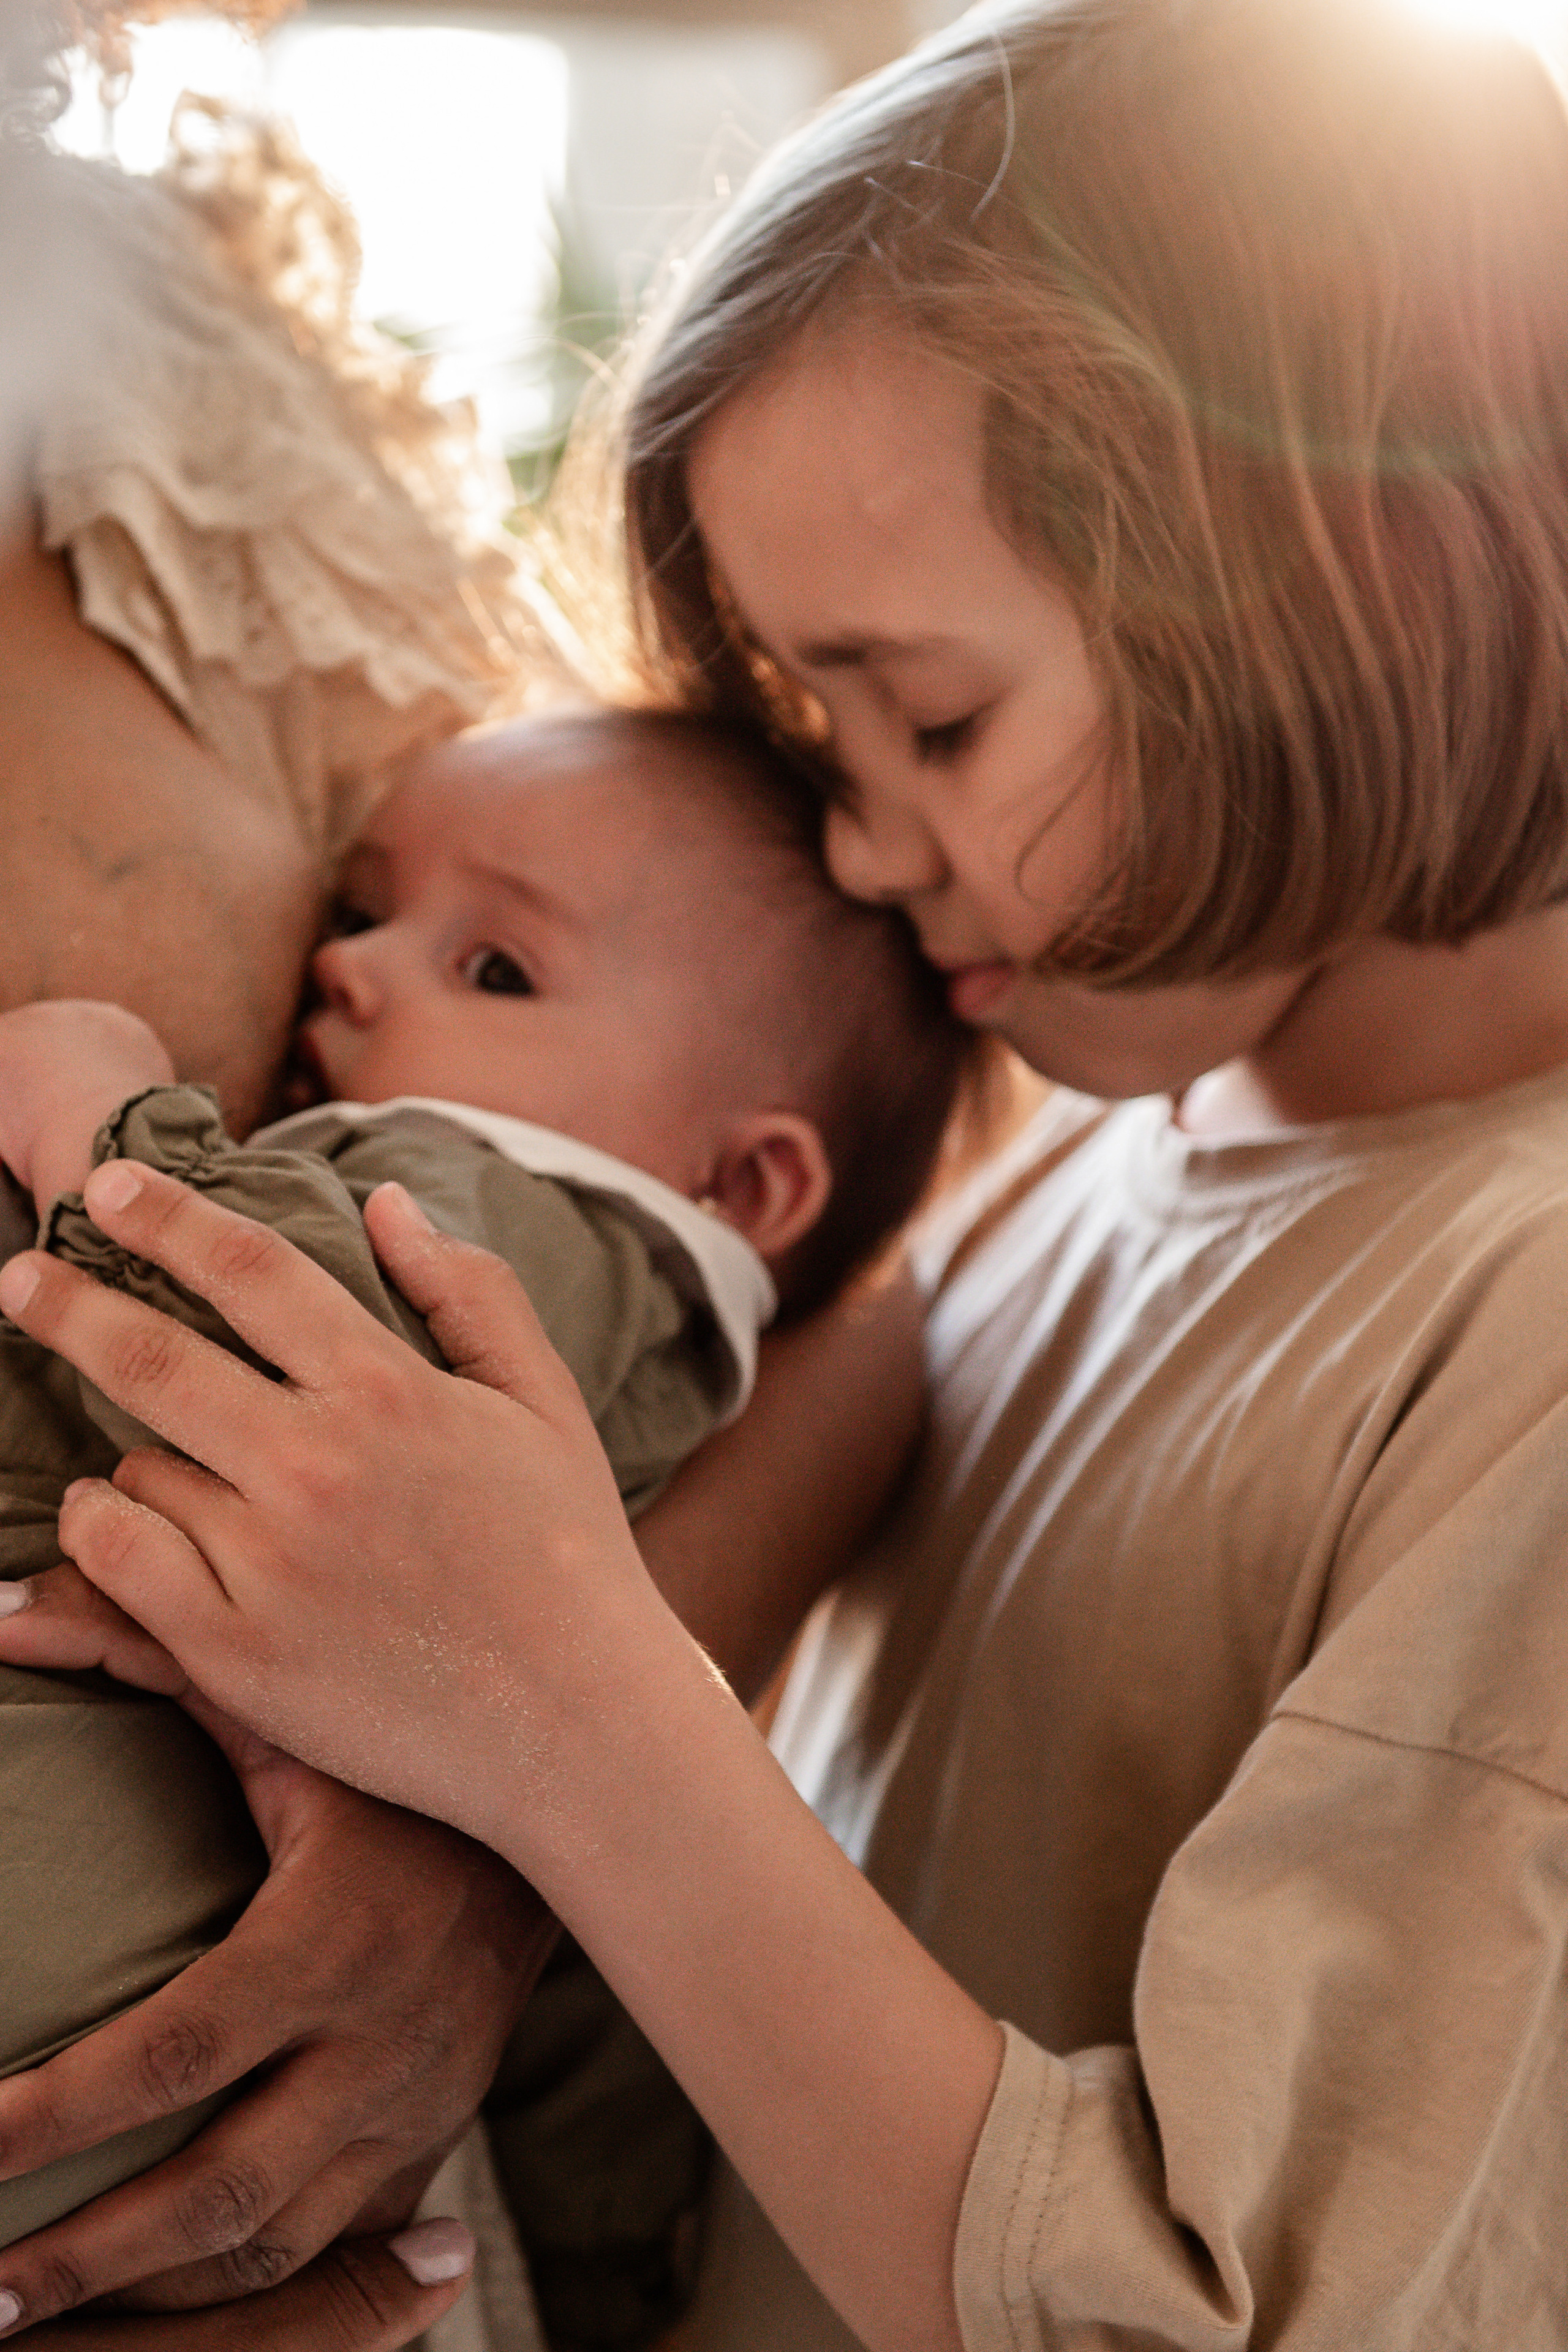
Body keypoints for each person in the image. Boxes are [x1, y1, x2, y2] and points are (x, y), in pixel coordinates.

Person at [10, 0, 1568, 2345]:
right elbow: (878, 1376)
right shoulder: (1096, 1168)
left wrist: (560, 1719)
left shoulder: (1522, 1324)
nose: (854, 841)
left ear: (1360, 574)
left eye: (934, 719)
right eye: (824, 732)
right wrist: (475, 1813)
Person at [0, 699, 966, 2343]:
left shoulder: (528, 1216)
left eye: (495, 968)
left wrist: (105, 1131)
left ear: (742, 1187)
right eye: (370, 910)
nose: (350, 969)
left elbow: (297, 1380)